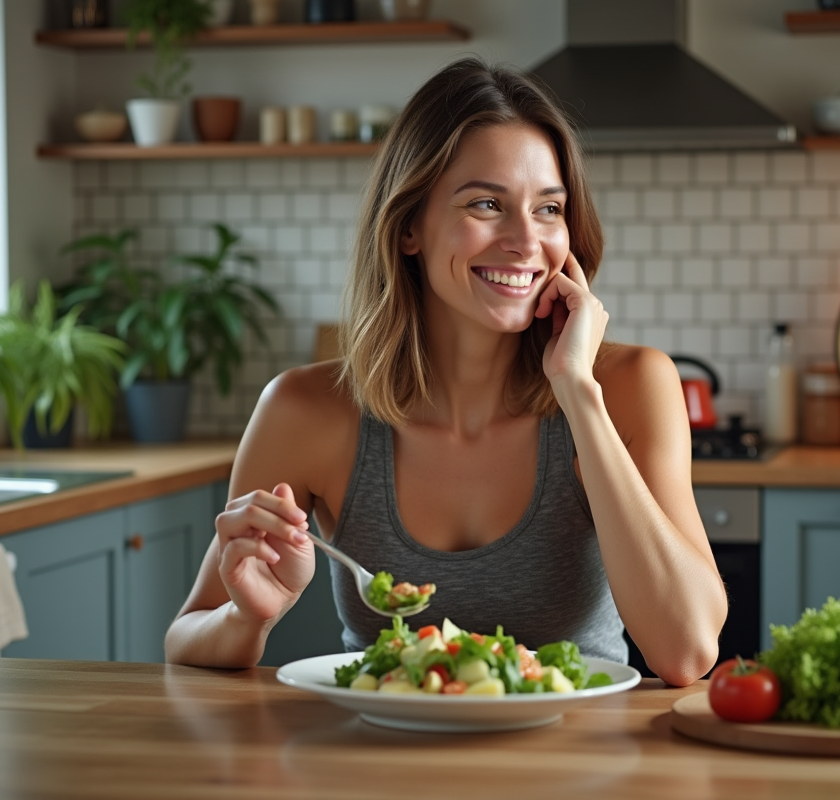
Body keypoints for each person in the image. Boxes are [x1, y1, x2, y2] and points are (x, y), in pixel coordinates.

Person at [164, 57, 727, 686]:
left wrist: (578, 392)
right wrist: (246, 616)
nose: (526, 241)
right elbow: (187, 635)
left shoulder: (631, 385)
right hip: (383, 742)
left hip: (580, 746)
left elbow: (686, 652)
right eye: (486, 204)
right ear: (409, 226)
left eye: (548, 208)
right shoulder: (305, 409)